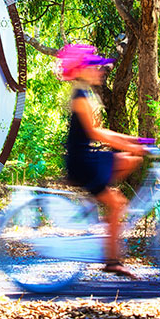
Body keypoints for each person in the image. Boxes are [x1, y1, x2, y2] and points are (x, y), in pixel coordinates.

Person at [57, 43, 145, 278]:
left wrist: (132, 142)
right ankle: (112, 261)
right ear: (80, 70)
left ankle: (100, 204)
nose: (99, 71)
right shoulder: (80, 96)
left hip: (89, 158)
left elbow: (100, 131)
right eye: (93, 67)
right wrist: (127, 141)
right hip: (82, 163)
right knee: (118, 203)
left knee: (129, 160)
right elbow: (96, 133)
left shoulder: (86, 93)